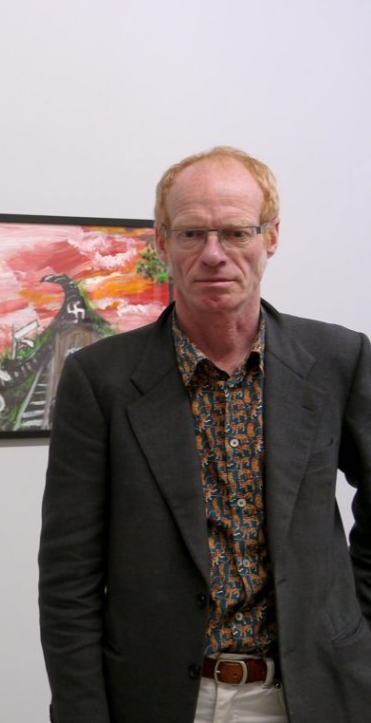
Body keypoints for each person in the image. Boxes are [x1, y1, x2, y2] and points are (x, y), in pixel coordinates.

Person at [38, 146, 371, 723]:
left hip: (314, 692)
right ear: (163, 242)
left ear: (271, 238)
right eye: (192, 234)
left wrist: (352, 621)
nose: (214, 255)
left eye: (236, 232)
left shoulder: (338, 358)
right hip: (160, 697)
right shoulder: (101, 380)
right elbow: (69, 574)